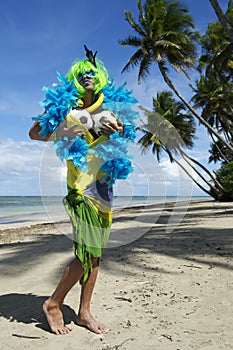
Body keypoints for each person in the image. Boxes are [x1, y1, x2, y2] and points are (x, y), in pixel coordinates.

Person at [29, 48, 127, 335]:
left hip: (105, 187)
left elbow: (119, 136)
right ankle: (53, 303)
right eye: (81, 73)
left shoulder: (108, 109)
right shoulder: (66, 109)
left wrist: (118, 130)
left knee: (96, 255)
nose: (87, 76)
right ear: (74, 79)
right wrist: (62, 132)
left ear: (100, 79)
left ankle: (84, 312)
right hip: (81, 189)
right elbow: (35, 133)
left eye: (92, 73)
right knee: (86, 252)